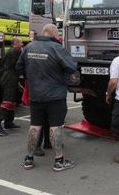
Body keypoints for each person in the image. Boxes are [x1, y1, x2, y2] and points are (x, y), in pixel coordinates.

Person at [16, 24, 78, 172]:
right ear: (54, 34)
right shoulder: (57, 48)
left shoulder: (29, 47)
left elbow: (18, 68)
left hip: (36, 95)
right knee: (55, 126)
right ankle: (58, 161)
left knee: (35, 125)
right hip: (55, 95)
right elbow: (71, 67)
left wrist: (31, 77)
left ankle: (29, 159)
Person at [0, 37, 23, 136]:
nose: (22, 44)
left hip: (11, 77)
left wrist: (18, 83)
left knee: (12, 101)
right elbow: (19, 66)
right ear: (15, 43)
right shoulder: (15, 51)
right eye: (21, 42)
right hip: (9, 78)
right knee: (8, 101)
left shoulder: (12, 51)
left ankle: (8, 122)